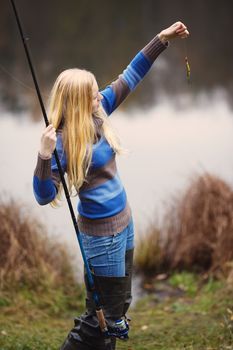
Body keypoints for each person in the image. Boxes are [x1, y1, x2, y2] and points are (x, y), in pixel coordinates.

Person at [33, 21, 189, 350]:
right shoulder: (60, 142)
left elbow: (131, 74)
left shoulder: (98, 109)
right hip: (101, 236)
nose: (97, 93)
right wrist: (44, 156)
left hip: (124, 221)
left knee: (118, 309)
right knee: (100, 318)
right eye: (90, 92)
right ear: (76, 102)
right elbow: (44, 196)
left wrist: (161, 40)